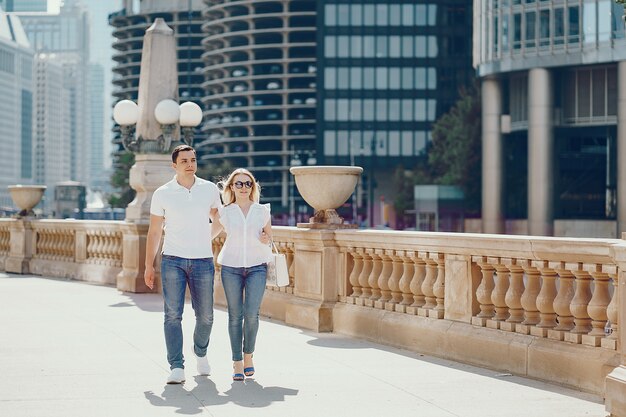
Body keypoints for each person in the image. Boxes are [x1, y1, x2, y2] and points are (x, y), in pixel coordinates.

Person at [144, 144, 222, 384]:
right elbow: (155, 231)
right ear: (174, 165)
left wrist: (204, 237)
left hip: (202, 260)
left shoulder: (209, 189)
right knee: (172, 315)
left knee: (206, 316)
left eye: (193, 159)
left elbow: (219, 219)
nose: (190, 164)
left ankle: (200, 351)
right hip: (172, 260)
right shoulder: (163, 193)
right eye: (185, 160)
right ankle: (176, 366)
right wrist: (148, 265)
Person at [213, 168, 272, 381]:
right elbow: (209, 234)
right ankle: (237, 362)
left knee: (252, 315)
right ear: (231, 187)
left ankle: (249, 357)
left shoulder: (262, 211)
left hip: (257, 267)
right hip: (231, 267)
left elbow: (269, 238)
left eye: (248, 184)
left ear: (252, 187)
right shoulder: (225, 212)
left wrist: (266, 239)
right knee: (235, 316)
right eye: (239, 184)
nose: (244, 188)